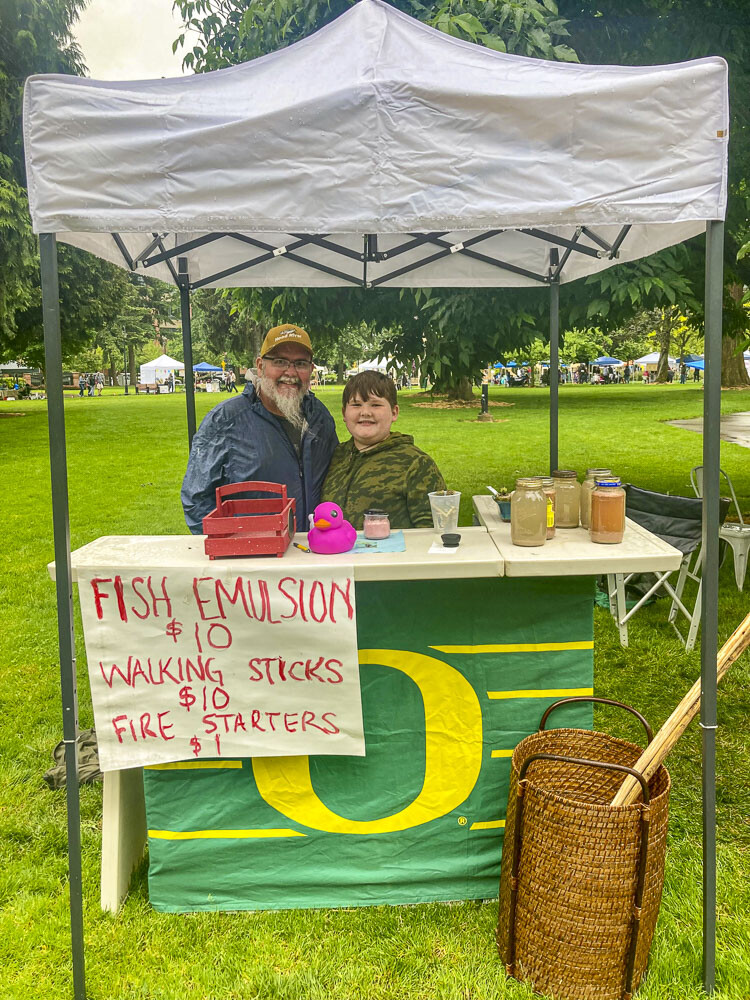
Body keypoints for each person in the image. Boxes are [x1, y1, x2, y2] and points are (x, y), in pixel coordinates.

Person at [181, 324, 338, 534]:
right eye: (280, 361)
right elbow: (196, 499)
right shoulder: (226, 420)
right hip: (255, 556)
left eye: (300, 363)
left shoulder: (319, 416)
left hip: (312, 550)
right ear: (260, 365)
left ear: (310, 369)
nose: (290, 373)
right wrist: (232, 547)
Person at [321, 370, 445, 530]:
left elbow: (434, 532)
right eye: (356, 405)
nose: (365, 412)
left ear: (394, 413)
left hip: (392, 554)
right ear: (344, 413)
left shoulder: (417, 465)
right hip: (334, 553)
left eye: (376, 405)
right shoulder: (337, 456)